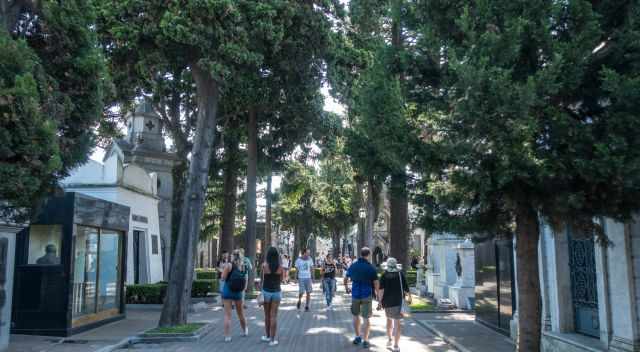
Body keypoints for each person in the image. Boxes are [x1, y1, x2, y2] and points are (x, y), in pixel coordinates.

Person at [344, 247, 379, 349]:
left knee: (355, 316)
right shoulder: (371, 267)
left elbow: (346, 278)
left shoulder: (353, 266)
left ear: (361, 254)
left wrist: (347, 288)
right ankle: (366, 340)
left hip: (355, 294)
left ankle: (357, 336)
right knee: (366, 318)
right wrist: (379, 299)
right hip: (366, 295)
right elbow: (376, 283)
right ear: (368, 255)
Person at [378, 257, 412, 352]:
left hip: (387, 303)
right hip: (398, 302)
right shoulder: (400, 274)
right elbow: (406, 287)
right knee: (397, 324)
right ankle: (396, 346)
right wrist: (409, 297)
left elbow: (381, 290)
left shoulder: (384, 275)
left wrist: (380, 301)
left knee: (389, 321)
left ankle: (389, 340)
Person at [221, 250, 248, 342]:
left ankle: (227, 336)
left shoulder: (228, 265)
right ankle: (245, 331)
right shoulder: (243, 267)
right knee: (240, 313)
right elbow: (244, 280)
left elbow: (223, 278)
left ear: (232, 256)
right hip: (238, 292)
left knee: (227, 315)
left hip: (227, 291)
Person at [260, 247, 283, 346]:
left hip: (266, 292)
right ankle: (273, 340)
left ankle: (267, 336)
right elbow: (281, 279)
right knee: (274, 316)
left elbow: (262, 279)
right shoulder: (280, 267)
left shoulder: (264, 265)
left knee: (267, 315)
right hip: (277, 292)